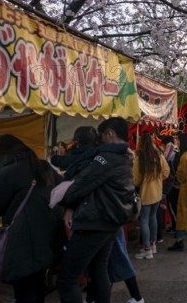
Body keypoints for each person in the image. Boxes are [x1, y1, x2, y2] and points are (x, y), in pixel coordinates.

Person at [52, 126, 144, 303]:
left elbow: (80, 185)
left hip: (93, 221)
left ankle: (137, 296)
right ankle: (136, 296)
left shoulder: (103, 158)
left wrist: (64, 200)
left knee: (67, 278)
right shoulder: (117, 156)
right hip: (110, 221)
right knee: (99, 269)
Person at [0, 135, 63, 303]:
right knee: (37, 285)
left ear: (1, 154)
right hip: (49, 235)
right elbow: (62, 192)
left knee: (24, 289)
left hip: (22, 240)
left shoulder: (6, 173)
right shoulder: (42, 166)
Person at [133, 132, 170, 259]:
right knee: (153, 217)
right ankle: (153, 246)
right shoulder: (159, 156)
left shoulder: (139, 159)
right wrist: (159, 179)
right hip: (157, 192)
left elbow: (135, 179)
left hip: (145, 194)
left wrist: (141, 183)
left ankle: (147, 249)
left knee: (144, 220)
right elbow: (166, 172)